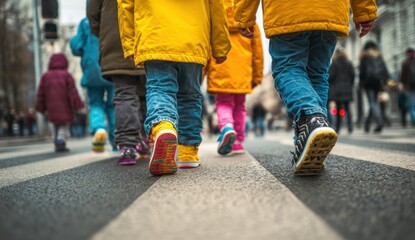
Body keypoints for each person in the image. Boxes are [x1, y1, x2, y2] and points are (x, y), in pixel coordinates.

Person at [234, 0, 377, 175]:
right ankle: (305, 143)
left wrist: (243, 16)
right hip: (330, 10)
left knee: (287, 68)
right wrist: (365, 11)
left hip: (289, 10)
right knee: (317, 74)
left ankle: (312, 118)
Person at [118, 0, 231, 175]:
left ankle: (164, 126)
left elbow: (125, 4)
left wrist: (129, 43)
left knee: (160, 88)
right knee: (190, 95)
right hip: (193, 38)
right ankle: (188, 153)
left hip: (154, 33)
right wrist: (220, 45)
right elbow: (217, 6)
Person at [87, 0, 151, 165]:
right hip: (148, 34)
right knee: (148, 92)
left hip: (116, 38)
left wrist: (103, 31)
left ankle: (128, 145)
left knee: (125, 93)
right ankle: (145, 139)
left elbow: (93, 13)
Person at [204, 1, 264, 155]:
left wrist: (202, 71)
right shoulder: (250, 24)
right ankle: (237, 141)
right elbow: (258, 54)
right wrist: (256, 76)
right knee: (240, 106)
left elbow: (207, 47)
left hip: (220, 68)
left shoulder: (216, 20)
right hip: (243, 72)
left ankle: (227, 127)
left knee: (224, 102)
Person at [70, 18, 116, 152]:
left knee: (95, 103)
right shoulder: (113, 15)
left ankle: (99, 129)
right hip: (112, 65)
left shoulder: (85, 22)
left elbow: (76, 47)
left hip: (92, 70)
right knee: (114, 104)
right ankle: (116, 140)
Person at [35, 53, 84, 152]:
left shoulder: (45, 76)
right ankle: (61, 142)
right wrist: (78, 104)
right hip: (65, 106)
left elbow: (41, 93)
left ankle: (57, 143)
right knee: (63, 125)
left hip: (51, 107)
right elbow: (73, 92)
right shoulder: (66, 75)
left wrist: (40, 107)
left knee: (56, 125)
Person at [359, 40, 389, 133]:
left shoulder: (365, 57)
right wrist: (385, 83)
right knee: (374, 103)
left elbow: (362, 71)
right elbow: (385, 70)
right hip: (378, 83)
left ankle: (379, 121)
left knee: (372, 103)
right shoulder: (379, 57)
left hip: (368, 83)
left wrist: (361, 82)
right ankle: (367, 126)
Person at [328, 48, 355, 134]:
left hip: (337, 90)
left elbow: (330, 76)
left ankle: (338, 128)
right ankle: (350, 127)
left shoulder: (334, 63)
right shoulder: (348, 63)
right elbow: (353, 75)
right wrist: (350, 84)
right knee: (348, 109)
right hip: (347, 88)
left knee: (339, 109)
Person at [399, 47, 415, 126]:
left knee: (411, 104)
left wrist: (402, 86)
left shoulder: (405, 63)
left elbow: (402, 77)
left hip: (410, 86)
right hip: (410, 86)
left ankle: (414, 119)